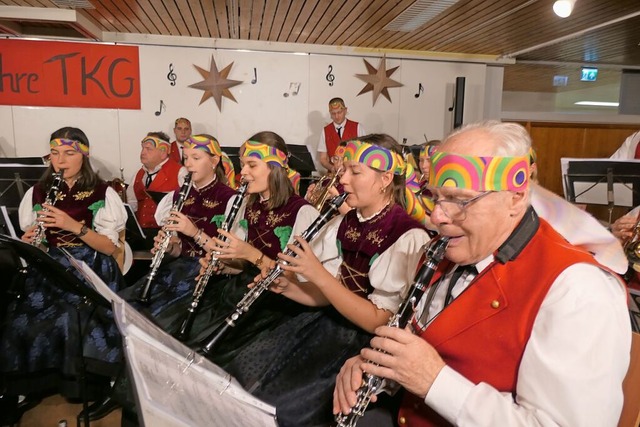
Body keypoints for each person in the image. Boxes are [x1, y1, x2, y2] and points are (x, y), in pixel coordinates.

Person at [334, 121, 631, 426]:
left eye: (460, 200)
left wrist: (434, 380)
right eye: (436, 197)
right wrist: (380, 368)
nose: (436, 216)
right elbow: (422, 341)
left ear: (515, 197)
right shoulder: (448, 251)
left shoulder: (579, 290)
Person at [225, 134, 430, 427]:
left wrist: (317, 274)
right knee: (243, 372)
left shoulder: (408, 236)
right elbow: (324, 295)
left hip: (359, 343)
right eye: (344, 169)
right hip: (323, 325)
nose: (342, 179)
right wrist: (289, 287)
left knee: (282, 407)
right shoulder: (345, 221)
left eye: (354, 171)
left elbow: (379, 320)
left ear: (385, 178)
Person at [0, 127, 127, 421]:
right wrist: (34, 240)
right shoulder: (38, 192)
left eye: (69, 153)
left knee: (72, 315)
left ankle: (87, 386)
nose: (60, 160)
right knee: (21, 317)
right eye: (54, 153)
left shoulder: (102, 192)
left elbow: (109, 247)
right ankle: (27, 386)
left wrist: (74, 226)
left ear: (84, 154)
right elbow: (40, 243)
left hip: (90, 264)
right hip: (52, 263)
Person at [168, 131, 319, 354]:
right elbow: (241, 266)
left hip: (275, 305)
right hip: (239, 291)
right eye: (242, 165)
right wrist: (224, 265)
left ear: (275, 167)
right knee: (178, 337)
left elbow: (296, 281)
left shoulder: (302, 213)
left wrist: (250, 254)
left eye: (252, 165)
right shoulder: (246, 204)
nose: (243, 172)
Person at [119, 134, 239, 324]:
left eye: (196, 158)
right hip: (180, 269)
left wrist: (194, 232)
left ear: (214, 161)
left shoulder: (231, 199)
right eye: (186, 158)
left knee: (152, 319)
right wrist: (169, 247)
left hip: (208, 275)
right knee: (124, 304)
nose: (188, 165)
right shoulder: (178, 195)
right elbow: (179, 249)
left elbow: (231, 258)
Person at [125, 132, 181, 249]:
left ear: (163, 152)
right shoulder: (138, 174)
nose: (143, 152)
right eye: (143, 148)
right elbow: (132, 206)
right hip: (140, 236)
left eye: (149, 149)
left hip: (166, 237)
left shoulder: (180, 173)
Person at [317, 98, 365, 172]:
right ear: (330, 113)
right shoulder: (325, 130)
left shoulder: (358, 127)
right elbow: (323, 158)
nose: (336, 116)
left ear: (345, 111)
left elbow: (363, 153)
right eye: (333, 113)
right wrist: (332, 168)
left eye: (339, 112)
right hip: (333, 173)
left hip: (353, 174)